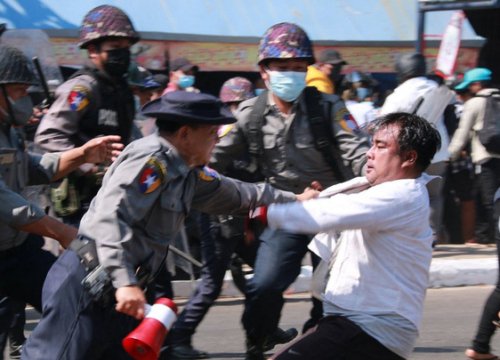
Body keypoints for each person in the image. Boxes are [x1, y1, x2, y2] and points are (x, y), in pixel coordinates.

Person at [21, 91, 318, 360]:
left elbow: (239, 193)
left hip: (120, 293)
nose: (217, 139)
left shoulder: (187, 169)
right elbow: (111, 218)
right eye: (212, 133)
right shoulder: (151, 161)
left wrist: (295, 199)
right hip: (92, 284)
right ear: (186, 133)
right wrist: (124, 282)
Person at [210, 22, 369, 360]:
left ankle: (318, 340)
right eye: (283, 68)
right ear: (264, 72)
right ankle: (258, 339)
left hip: (334, 210)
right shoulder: (250, 113)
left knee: (332, 294)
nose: (292, 76)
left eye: (299, 69)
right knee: (264, 284)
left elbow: (357, 154)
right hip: (287, 210)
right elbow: (215, 159)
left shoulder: (329, 107)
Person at [265, 112, 441, 360]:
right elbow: (329, 203)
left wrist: (263, 212)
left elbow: (329, 213)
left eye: (381, 146)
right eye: (372, 144)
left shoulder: (402, 195)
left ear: (409, 157)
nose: (370, 153)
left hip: (370, 328)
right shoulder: (374, 187)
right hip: (356, 324)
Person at [0, 44, 123, 358]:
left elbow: (36, 168)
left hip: (16, 250)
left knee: (74, 299)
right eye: (17, 91)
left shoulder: (8, 131)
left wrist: (83, 154)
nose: (24, 100)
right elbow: (7, 202)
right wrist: (63, 232)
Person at [167, 77, 258, 360]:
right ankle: (176, 339)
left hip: (241, 215)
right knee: (211, 283)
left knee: (267, 275)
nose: (239, 110)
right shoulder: (226, 135)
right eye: (236, 105)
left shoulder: (242, 131)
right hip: (220, 217)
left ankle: (262, 328)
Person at [34, 4, 139, 226]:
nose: (123, 54)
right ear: (93, 50)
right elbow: (48, 136)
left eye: (126, 48)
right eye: (115, 47)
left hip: (112, 198)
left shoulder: (122, 91)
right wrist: (88, 166)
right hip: (79, 202)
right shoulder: (82, 89)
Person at [380, 53, 453, 245]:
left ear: (402, 70)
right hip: (439, 151)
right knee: (434, 196)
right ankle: (432, 235)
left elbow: (384, 125)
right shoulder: (439, 90)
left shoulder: (399, 94)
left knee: (405, 194)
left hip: (409, 155)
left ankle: (407, 234)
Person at [449, 68, 500, 246]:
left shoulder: (474, 103)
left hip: (485, 158)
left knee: (486, 201)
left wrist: (451, 155)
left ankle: (489, 237)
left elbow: (462, 133)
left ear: (477, 85)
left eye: (470, 85)